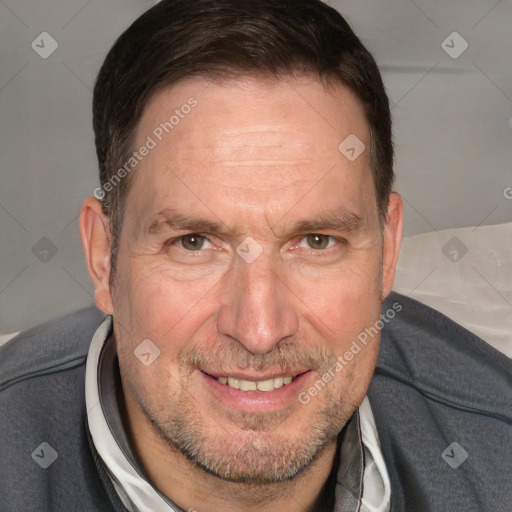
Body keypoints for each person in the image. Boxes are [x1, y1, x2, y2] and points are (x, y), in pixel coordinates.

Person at [1, 1, 510, 511]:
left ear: (387, 249)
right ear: (102, 256)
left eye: (316, 241)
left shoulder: (495, 447)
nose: (259, 330)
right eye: (194, 242)